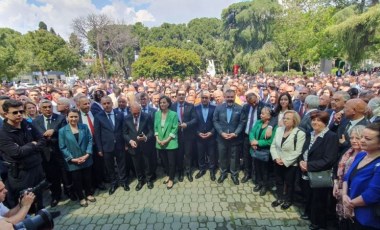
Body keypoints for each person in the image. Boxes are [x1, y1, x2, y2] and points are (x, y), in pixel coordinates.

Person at [0, 99, 46, 210]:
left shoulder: (26, 123)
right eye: (15, 112)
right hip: (22, 173)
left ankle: (42, 216)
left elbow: (42, 140)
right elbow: (16, 153)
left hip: (37, 166)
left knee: (39, 194)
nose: (19, 114)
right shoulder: (3, 133)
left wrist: (27, 147)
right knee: (26, 201)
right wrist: (33, 144)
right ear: (6, 114)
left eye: (21, 111)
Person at [299, 111, 339, 230]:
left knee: (319, 200)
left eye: (319, 121)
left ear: (325, 123)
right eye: (313, 120)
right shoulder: (310, 133)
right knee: (309, 195)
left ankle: (318, 223)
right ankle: (310, 214)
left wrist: (308, 165)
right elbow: (304, 150)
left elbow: (329, 159)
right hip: (305, 170)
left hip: (319, 173)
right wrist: (301, 161)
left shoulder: (331, 136)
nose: (315, 122)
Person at [342, 123, 380, 230]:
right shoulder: (361, 155)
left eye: (367, 138)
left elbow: (372, 194)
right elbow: (347, 177)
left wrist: (349, 204)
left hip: (367, 219)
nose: (362, 140)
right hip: (350, 212)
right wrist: (344, 195)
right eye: (362, 136)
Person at [32, 100, 67, 207]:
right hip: (46, 154)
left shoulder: (60, 118)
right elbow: (36, 137)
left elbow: (65, 131)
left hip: (60, 151)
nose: (47, 109)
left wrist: (54, 131)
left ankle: (70, 192)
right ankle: (56, 196)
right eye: (45, 107)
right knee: (52, 176)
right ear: (40, 109)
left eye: (49, 107)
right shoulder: (35, 121)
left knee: (65, 174)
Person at [58, 108, 96, 207]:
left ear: (79, 117)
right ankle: (81, 197)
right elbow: (62, 147)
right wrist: (72, 159)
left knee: (88, 178)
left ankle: (88, 194)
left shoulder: (84, 127)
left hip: (86, 158)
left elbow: (90, 141)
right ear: (67, 117)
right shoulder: (62, 131)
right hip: (73, 161)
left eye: (75, 116)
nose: (73, 119)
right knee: (77, 180)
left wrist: (87, 154)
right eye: (71, 117)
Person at [270, 110, 305, 210]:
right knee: (279, 181)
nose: (285, 120)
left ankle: (288, 200)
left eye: (288, 118)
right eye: (284, 118)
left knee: (289, 183)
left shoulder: (300, 133)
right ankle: (280, 198)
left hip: (290, 164)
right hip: (277, 161)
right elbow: (273, 146)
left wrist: (284, 161)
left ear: (294, 120)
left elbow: (298, 152)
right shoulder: (279, 130)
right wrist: (276, 158)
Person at [94, 96, 129, 195]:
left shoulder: (120, 114)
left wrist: (126, 143)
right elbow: (97, 134)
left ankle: (123, 181)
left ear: (112, 104)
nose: (106, 105)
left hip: (120, 144)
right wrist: (99, 149)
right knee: (109, 166)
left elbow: (124, 130)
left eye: (108, 103)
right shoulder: (98, 116)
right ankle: (114, 183)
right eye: (104, 104)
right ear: (102, 105)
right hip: (106, 146)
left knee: (122, 164)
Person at [332, 125, 365, 230]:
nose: (354, 141)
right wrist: (336, 183)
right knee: (342, 221)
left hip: (353, 197)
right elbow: (336, 167)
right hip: (340, 192)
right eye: (351, 138)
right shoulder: (348, 151)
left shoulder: (366, 156)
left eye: (358, 138)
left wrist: (345, 192)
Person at [213, 89, 246, 185]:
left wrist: (236, 133)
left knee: (234, 157)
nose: (230, 99)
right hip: (221, 138)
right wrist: (221, 132)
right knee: (222, 156)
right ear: (224, 97)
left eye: (232, 97)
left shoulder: (240, 108)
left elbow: (242, 122)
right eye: (228, 97)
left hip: (235, 138)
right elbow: (215, 121)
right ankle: (223, 173)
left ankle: (234, 174)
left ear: (235, 97)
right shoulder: (219, 108)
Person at [123, 102, 155, 190]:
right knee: (137, 165)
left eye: (138, 113)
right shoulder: (126, 118)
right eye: (134, 113)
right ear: (130, 111)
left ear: (140, 110)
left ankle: (149, 180)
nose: (136, 115)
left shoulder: (147, 116)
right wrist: (130, 141)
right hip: (133, 146)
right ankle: (140, 180)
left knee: (147, 164)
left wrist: (145, 138)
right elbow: (125, 133)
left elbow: (151, 131)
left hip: (145, 145)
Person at [170, 89, 197, 182]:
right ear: (176, 95)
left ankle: (188, 172)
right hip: (176, 135)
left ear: (185, 95)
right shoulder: (172, 106)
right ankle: (180, 172)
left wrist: (187, 124)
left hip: (188, 135)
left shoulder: (190, 106)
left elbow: (195, 119)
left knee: (188, 154)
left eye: (183, 94)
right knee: (179, 155)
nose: (181, 96)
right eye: (179, 94)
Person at [249, 107, 277, 196]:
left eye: (263, 114)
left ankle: (265, 186)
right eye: (261, 113)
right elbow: (251, 132)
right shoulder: (258, 122)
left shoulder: (273, 127)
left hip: (265, 152)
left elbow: (270, 141)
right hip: (255, 149)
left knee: (265, 170)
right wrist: (252, 142)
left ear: (269, 116)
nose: (260, 115)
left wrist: (257, 142)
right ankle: (259, 183)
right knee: (257, 168)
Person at [154, 96, 178, 189]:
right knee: (164, 162)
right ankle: (168, 174)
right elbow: (155, 127)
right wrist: (157, 139)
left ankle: (171, 179)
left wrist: (167, 140)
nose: (162, 104)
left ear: (168, 103)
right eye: (161, 103)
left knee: (171, 162)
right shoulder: (157, 114)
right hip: (160, 142)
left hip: (170, 142)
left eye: (164, 102)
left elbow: (175, 128)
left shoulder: (174, 114)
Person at [194, 90, 217, 180]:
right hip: (199, 136)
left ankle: (212, 171)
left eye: (206, 98)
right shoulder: (195, 108)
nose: (204, 99)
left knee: (212, 154)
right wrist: (198, 132)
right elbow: (194, 123)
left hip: (211, 136)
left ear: (209, 98)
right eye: (203, 97)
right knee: (200, 154)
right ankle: (202, 169)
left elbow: (217, 122)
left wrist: (211, 132)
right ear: (200, 98)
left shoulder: (214, 108)